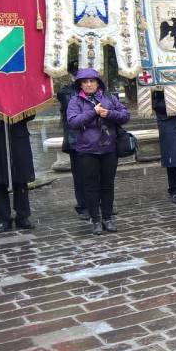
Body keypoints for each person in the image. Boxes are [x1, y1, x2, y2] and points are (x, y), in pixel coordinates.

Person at [66, 68, 130, 234]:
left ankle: (107, 218)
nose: (89, 84)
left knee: (107, 185)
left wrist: (108, 113)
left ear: (97, 82)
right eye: (85, 82)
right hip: (87, 150)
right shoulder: (75, 101)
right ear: (80, 84)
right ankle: (95, 220)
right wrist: (92, 113)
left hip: (109, 148)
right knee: (91, 186)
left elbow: (125, 115)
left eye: (92, 81)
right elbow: (73, 122)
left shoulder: (109, 98)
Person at [0, 115, 35, 233]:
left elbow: (31, 114)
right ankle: (4, 218)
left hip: (18, 138)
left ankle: (22, 216)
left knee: (21, 179)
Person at [57, 64, 88, 219]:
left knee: (97, 174)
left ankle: (100, 203)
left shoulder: (96, 91)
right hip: (76, 140)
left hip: (95, 139)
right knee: (80, 176)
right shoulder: (66, 92)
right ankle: (83, 206)